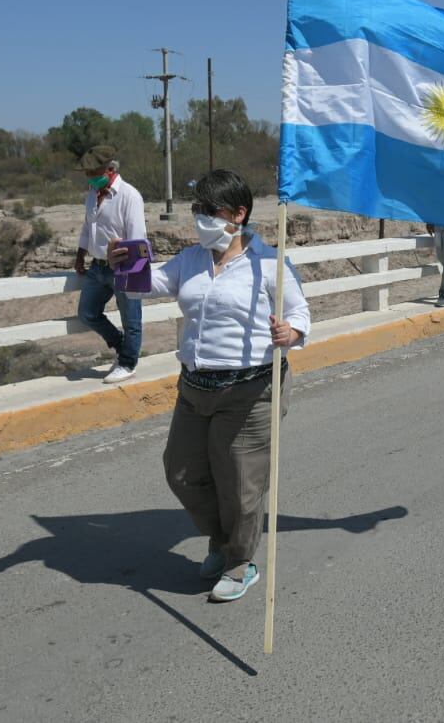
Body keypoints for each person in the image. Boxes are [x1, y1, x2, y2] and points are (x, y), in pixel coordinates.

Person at [113, 170, 310, 602]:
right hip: (195, 388)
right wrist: (125, 263)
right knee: (182, 472)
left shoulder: (269, 262)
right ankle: (222, 541)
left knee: (241, 485)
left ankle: (240, 563)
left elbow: (300, 314)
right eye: (196, 209)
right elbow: (149, 284)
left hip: (250, 389)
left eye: (209, 210)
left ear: (238, 214)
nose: (200, 217)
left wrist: (289, 334)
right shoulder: (190, 260)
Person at [75, 145, 147, 384]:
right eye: (86, 173)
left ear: (110, 168)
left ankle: (128, 364)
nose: (89, 177)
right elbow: (88, 226)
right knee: (87, 312)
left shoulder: (129, 196)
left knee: (131, 319)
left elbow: (137, 238)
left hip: (122, 265)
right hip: (97, 267)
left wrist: (133, 272)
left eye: (93, 172)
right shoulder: (92, 195)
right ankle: (121, 345)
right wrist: (80, 254)